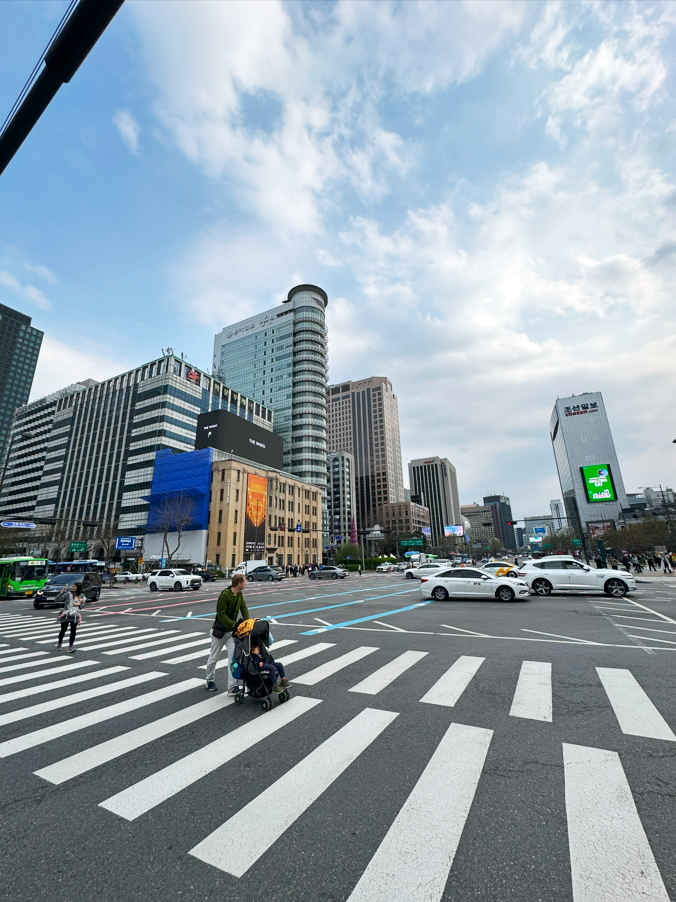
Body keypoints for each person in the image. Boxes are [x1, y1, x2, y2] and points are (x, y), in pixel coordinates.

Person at [205, 573, 249, 694]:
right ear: (239, 583)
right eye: (244, 582)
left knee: (233, 659)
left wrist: (248, 623)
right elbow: (221, 614)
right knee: (214, 658)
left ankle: (232, 686)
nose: (245, 584)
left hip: (230, 633)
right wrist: (233, 624)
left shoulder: (239, 594)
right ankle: (209, 680)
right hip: (219, 632)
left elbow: (243, 608)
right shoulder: (225, 595)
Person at [55, 582, 85, 653]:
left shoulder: (81, 595)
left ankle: (71, 646)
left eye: (74, 586)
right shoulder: (68, 594)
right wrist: (62, 592)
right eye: (72, 586)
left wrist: (79, 603)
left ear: (78, 587)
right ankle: (59, 643)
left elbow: (83, 604)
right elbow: (57, 599)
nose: (72, 587)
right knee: (63, 629)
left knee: (73, 630)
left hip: (75, 615)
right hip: (66, 614)